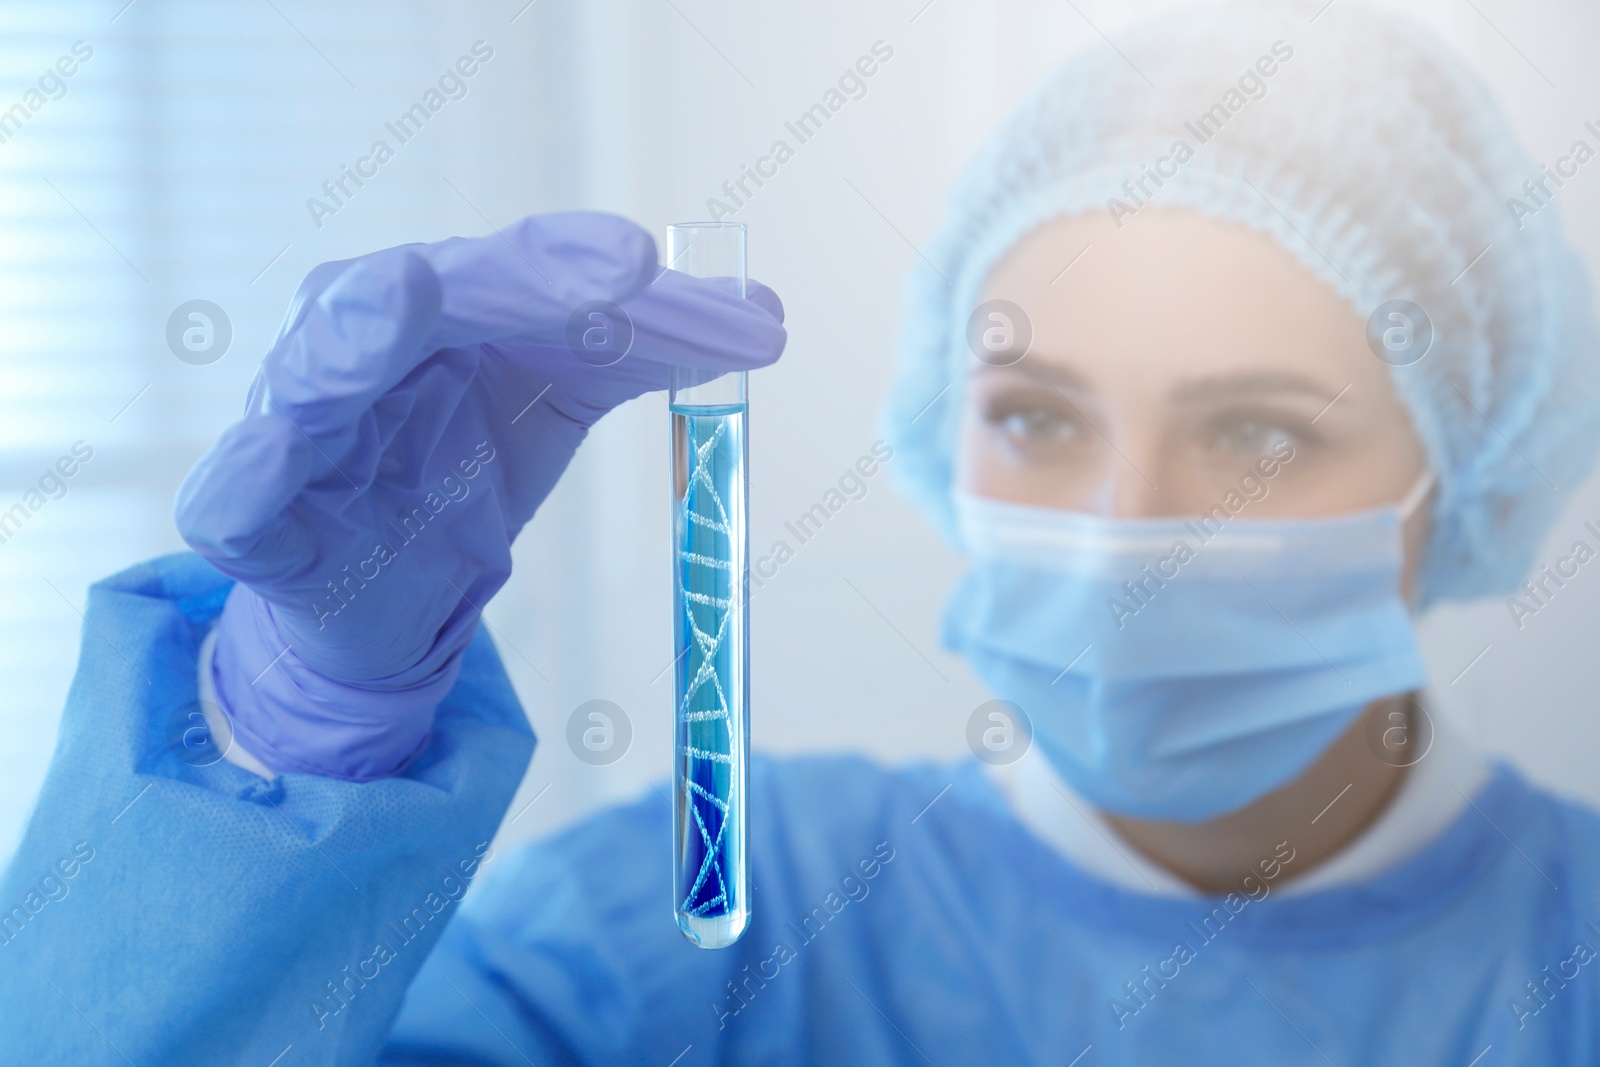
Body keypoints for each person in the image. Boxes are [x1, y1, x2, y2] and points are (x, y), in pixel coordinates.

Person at [5, 1, 1600, 1063]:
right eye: (1039, 414)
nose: (1132, 532)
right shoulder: (715, 915)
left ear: (1465, 466)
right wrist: (293, 733)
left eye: (1257, 432)